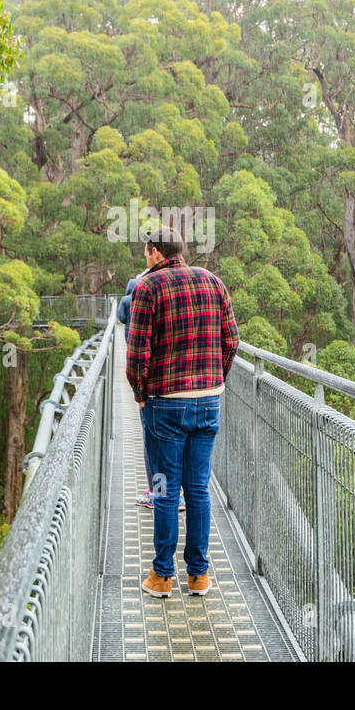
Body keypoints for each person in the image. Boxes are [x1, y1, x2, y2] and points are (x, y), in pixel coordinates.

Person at [125, 223, 239, 598]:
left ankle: (161, 577)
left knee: (163, 490)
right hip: (208, 403)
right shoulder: (212, 282)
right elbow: (231, 340)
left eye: (146, 252)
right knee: (198, 491)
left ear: (156, 252)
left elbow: (137, 354)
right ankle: (199, 576)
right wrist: (213, 380)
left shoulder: (146, 287)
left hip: (165, 406)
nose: (145, 258)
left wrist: (141, 394)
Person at [118, 269, 183, 512]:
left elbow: (135, 353)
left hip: (154, 390)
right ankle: (178, 495)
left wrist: (140, 393)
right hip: (183, 386)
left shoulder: (131, 305)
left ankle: (160, 494)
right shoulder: (164, 302)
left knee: (154, 446)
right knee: (179, 447)